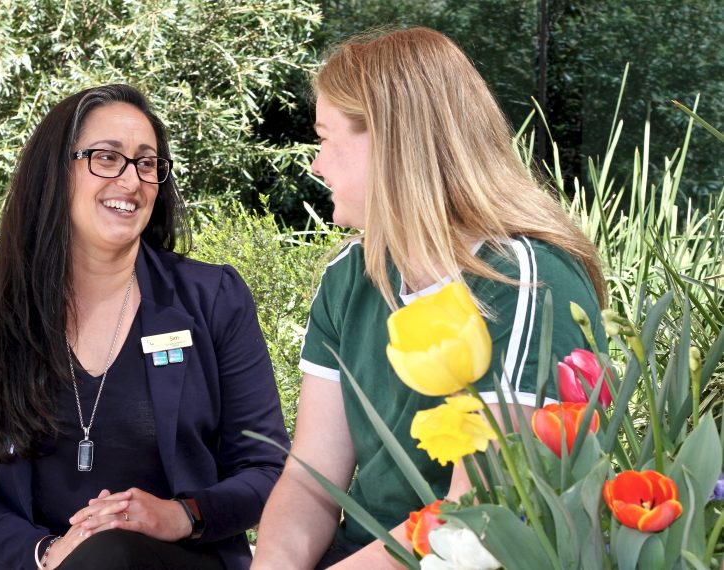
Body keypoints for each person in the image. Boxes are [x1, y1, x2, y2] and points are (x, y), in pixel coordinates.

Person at [252, 27, 608, 569]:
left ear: (391, 141)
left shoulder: (528, 280)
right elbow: (310, 476)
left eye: (325, 139)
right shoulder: (349, 277)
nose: (316, 164)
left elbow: (478, 512)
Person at [0, 84, 289, 570]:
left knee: (112, 555)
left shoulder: (212, 299)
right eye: (107, 158)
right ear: (56, 171)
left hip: (180, 563)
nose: (131, 180)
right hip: (45, 566)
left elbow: (266, 467)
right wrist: (46, 552)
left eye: (147, 163)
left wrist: (182, 515)